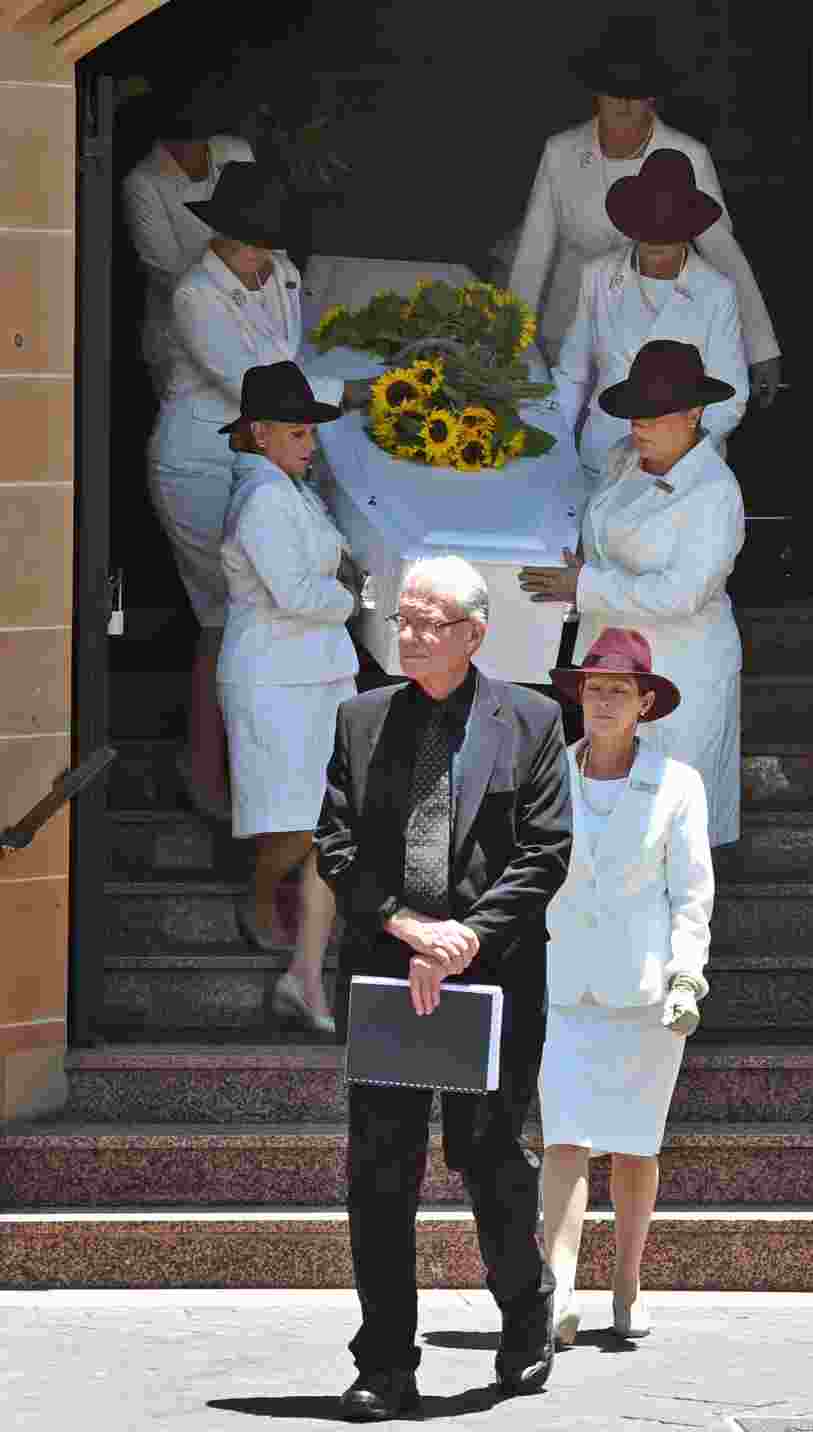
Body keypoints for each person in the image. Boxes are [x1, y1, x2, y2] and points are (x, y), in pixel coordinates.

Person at [315, 555, 572, 1420]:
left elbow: (543, 853)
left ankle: (525, 1313)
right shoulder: (361, 720)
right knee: (381, 1172)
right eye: (404, 619)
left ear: (474, 632)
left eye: (430, 622)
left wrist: (463, 938)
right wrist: (406, 927)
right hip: (392, 973)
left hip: (489, 980)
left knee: (489, 1160)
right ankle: (385, 1363)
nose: (411, 634)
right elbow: (337, 849)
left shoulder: (531, 720)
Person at [148, 161, 373, 820]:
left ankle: (245, 778)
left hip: (261, 452)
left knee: (251, 615)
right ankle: (207, 775)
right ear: (221, 233)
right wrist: (355, 395)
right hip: (197, 462)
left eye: (267, 239)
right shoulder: (194, 293)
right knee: (223, 617)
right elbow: (251, 382)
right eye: (249, 238)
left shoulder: (282, 272)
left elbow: (287, 364)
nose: (260, 252)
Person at [540, 626, 713, 1344]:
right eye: (593, 688)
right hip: (559, 984)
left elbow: (690, 894)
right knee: (564, 1139)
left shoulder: (677, 784)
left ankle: (627, 1282)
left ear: (645, 703)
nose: (603, 700)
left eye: (618, 690)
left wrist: (687, 975)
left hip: (645, 992)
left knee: (637, 1146)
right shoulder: (548, 773)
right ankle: (558, 1290)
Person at [519, 339, 744, 848]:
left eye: (654, 413)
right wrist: (584, 571)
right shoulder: (624, 459)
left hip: (680, 671)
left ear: (694, 414)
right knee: (608, 818)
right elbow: (605, 537)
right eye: (634, 413)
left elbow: (682, 593)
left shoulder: (714, 490)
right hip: (613, 668)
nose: (638, 425)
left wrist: (586, 586)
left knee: (671, 826)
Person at [504, 14, 782, 406]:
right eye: (613, 91)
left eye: (636, 93)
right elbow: (533, 255)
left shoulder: (688, 155)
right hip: (566, 340)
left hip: (655, 346)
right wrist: (509, 341)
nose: (623, 104)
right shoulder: (561, 151)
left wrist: (760, 347)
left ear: (653, 98)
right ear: (596, 93)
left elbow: (726, 256)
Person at [217, 362, 361, 1034]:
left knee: (328, 831)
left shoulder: (292, 490)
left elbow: (326, 563)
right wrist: (355, 601)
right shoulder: (265, 498)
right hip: (273, 675)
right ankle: (258, 894)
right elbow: (300, 594)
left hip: (320, 672)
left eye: (311, 432)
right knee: (293, 824)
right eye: (298, 432)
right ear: (261, 433)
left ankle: (305, 975)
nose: (310, 444)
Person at [554, 146, 748, 484]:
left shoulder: (717, 292)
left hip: (682, 475)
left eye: (670, 228)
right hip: (600, 462)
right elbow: (573, 376)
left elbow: (730, 399)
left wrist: (671, 460)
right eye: (649, 226)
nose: (657, 238)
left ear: (689, 229)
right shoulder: (596, 276)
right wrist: (554, 451)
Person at [122, 93, 255, 397]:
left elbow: (268, 232)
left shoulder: (236, 151)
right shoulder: (142, 182)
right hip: (183, 344)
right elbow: (171, 275)